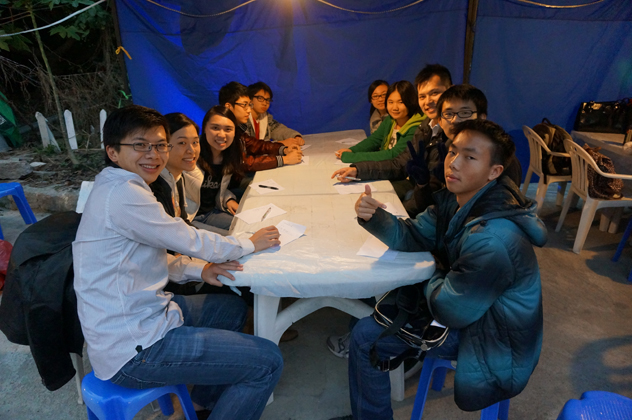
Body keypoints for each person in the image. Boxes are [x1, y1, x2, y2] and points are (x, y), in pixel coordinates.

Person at [73, 104, 284, 420]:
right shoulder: (123, 193)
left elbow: (157, 254)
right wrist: (249, 243)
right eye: (140, 145)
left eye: (160, 145)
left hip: (143, 316)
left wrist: (202, 269)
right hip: (134, 348)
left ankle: (200, 405)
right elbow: (187, 238)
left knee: (231, 309)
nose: (153, 154)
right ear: (113, 152)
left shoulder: (124, 184)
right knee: (268, 362)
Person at [330, 119, 545, 420]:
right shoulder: (456, 201)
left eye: (470, 157)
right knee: (382, 310)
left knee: (366, 336)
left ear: (494, 172)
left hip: (494, 337)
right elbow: (413, 234)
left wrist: (433, 272)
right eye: (452, 151)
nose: (453, 163)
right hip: (473, 310)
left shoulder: (493, 237)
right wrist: (375, 217)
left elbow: (450, 309)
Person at [331, 65, 452, 209]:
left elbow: (394, 156)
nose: (428, 101)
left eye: (435, 93)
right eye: (422, 96)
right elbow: (399, 162)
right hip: (419, 191)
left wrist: (351, 157)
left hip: (431, 203)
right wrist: (358, 170)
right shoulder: (425, 127)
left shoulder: (448, 132)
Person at [219, 81, 302, 172]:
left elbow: (256, 145)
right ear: (228, 106)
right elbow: (244, 163)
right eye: (244, 105)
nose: (249, 110)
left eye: (268, 100)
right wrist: (284, 159)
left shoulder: (237, 129)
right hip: (231, 179)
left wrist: (283, 149)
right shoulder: (222, 131)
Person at [334, 80, 424, 164]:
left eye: (401, 102)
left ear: (411, 102)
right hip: (386, 167)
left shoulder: (416, 128)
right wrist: (352, 150)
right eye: (390, 102)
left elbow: (393, 155)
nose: (395, 107)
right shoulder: (390, 120)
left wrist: (352, 157)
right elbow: (375, 139)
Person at [191, 106, 244, 235]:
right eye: (215, 128)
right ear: (204, 128)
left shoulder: (229, 155)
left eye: (228, 129)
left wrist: (228, 199)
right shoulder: (191, 155)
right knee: (234, 237)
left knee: (245, 227)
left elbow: (217, 188)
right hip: (189, 218)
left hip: (211, 213)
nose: (221, 134)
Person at [150, 112, 202, 223]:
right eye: (182, 143)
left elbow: (183, 220)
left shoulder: (178, 177)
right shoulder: (154, 185)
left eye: (195, 142)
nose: (192, 150)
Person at [244, 81, 304, 146]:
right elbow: (248, 145)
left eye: (267, 100)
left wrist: (295, 136)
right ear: (250, 99)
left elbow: (278, 129)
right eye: (260, 98)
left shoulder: (266, 118)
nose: (265, 103)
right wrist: (279, 144)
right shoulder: (243, 119)